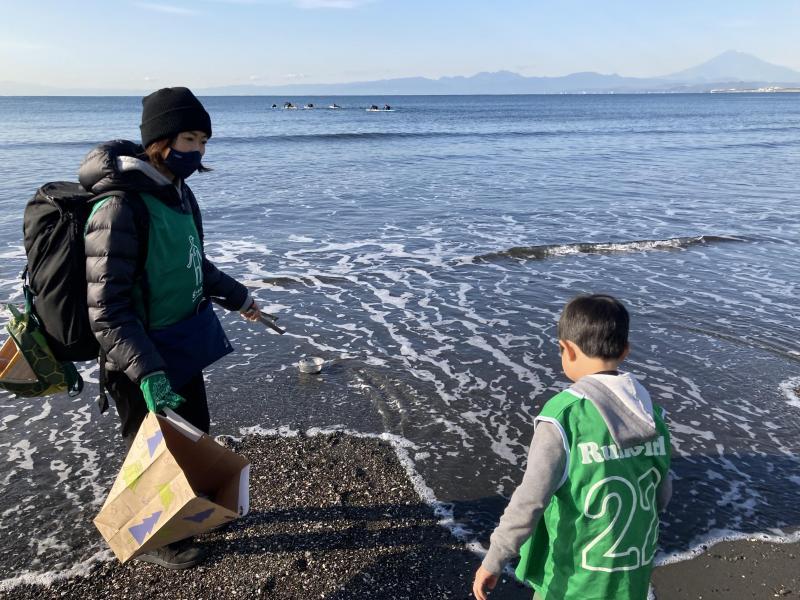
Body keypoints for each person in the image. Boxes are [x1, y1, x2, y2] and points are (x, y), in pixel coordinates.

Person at [80, 87, 261, 569]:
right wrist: (148, 373)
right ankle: (155, 538)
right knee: (149, 451)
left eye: (203, 140)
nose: (197, 150)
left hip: (179, 344)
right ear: (160, 140)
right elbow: (107, 308)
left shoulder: (179, 194)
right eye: (188, 137)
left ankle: (188, 514)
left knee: (191, 436)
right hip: (137, 355)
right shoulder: (119, 207)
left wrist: (240, 297)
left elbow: (191, 262)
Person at [473, 294, 672, 600]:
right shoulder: (651, 415)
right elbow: (662, 492)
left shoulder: (564, 416)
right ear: (625, 350)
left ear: (566, 349)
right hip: (632, 570)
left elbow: (530, 500)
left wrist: (495, 558)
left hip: (574, 578)